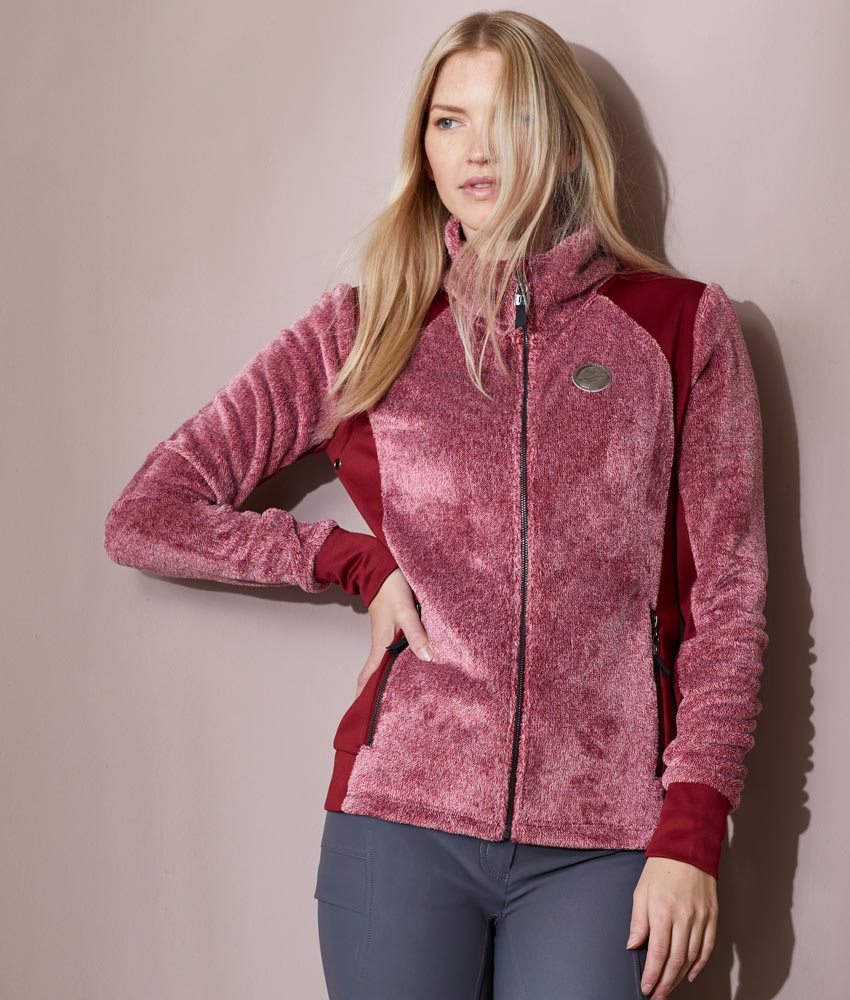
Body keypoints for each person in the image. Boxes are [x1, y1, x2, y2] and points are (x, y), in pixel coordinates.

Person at [103, 9, 768, 999]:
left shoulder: (678, 327)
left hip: (603, 836)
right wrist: (352, 561)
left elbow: (729, 606)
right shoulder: (370, 324)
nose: (475, 150)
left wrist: (692, 830)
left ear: (566, 140)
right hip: (398, 820)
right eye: (448, 121)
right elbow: (147, 513)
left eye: (508, 118)